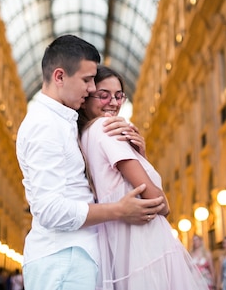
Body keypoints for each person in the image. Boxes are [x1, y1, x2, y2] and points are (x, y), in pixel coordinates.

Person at [15, 34, 166, 290]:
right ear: (60, 76)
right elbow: (49, 209)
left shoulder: (64, 122)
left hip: (72, 259)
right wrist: (119, 210)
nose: (92, 89)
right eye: (86, 80)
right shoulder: (44, 125)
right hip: (62, 261)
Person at [78, 65, 209, 289]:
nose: (113, 102)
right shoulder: (106, 128)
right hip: (144, 242)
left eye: (119, 96)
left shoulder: (85, 136)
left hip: (123, 243)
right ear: (86, 98)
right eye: (103, 95)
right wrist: (161, 198)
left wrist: (142, 155)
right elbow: (159, 203)